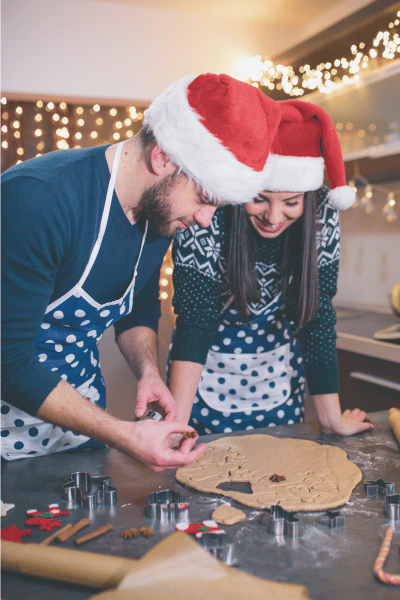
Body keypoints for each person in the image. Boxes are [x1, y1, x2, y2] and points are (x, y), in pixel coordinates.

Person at [1, 73, 293, 468]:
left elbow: (137, 304)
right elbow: (8, 359)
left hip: (78, 427)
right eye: (205, 199)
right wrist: (124, 434)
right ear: (162, 158)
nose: (206, 220)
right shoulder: (39, 199)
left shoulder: (159, 212)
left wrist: (149, 372)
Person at [168, 96, 374, 437]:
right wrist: (175, 427)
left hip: (279, 386)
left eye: (291, 202)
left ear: (307, 197)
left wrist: (331, 420)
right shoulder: (209, 210)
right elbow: (195, 320)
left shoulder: (323, 212)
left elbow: (316, 317)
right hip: (203, 389)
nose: (274, 217)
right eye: (260, 198)